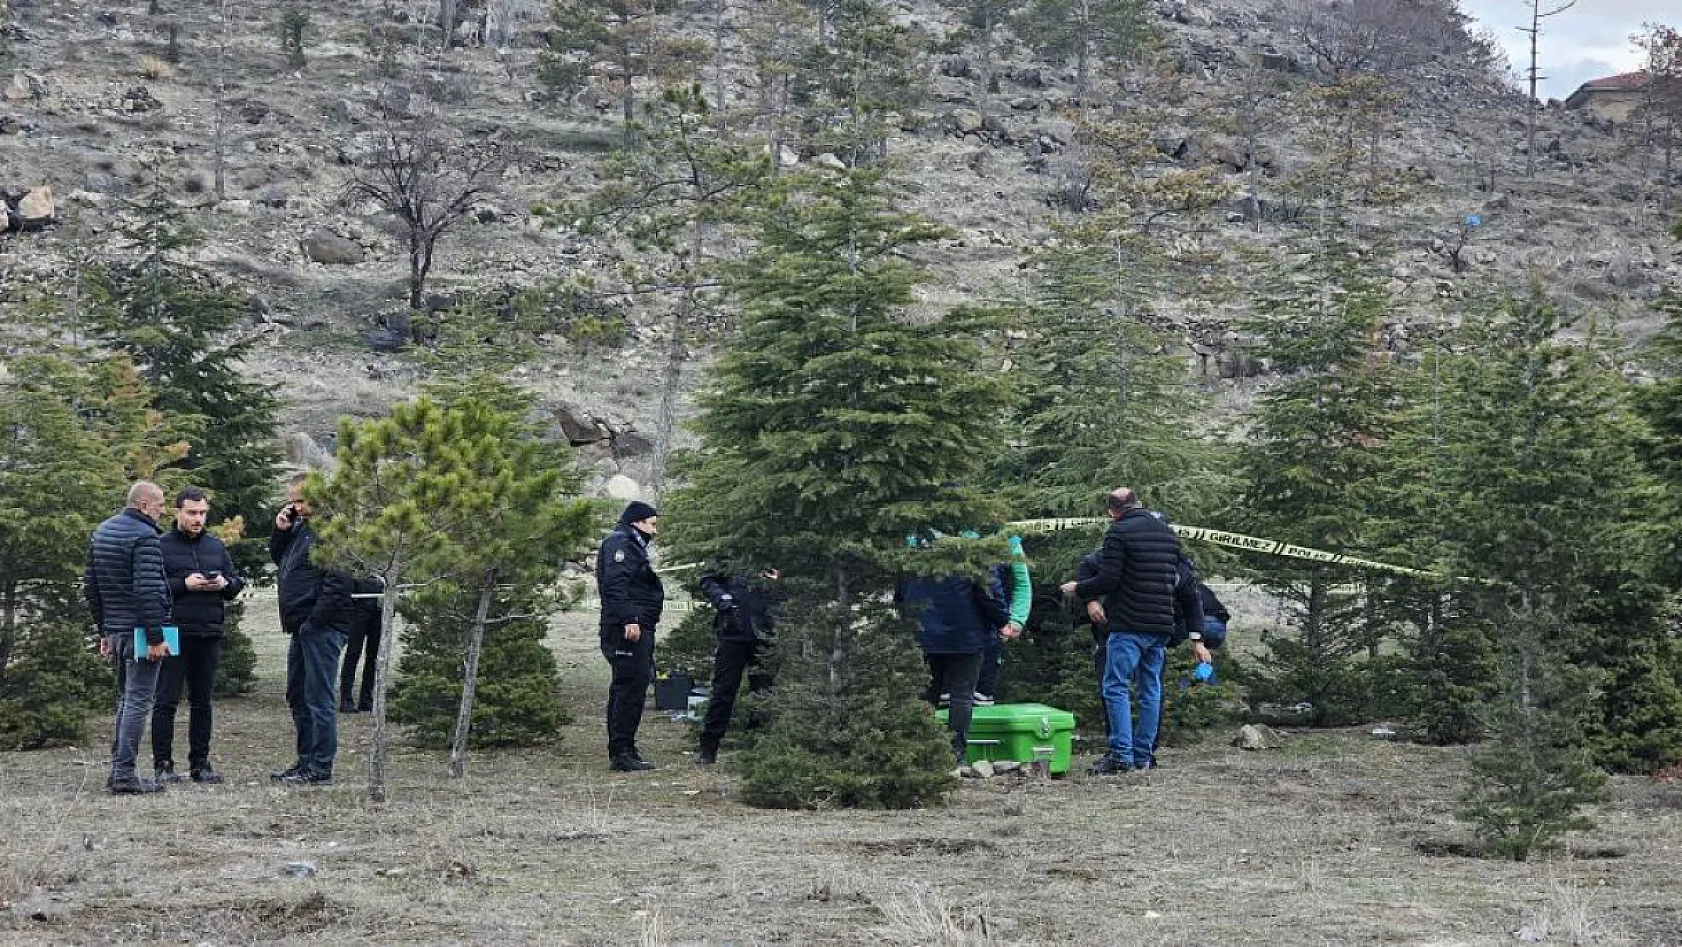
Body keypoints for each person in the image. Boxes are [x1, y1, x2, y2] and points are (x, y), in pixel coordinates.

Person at [1060, 488, 1203, 775]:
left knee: (1116, 686)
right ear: (1137, 503)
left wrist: (1079, 590)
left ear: (1112, 511)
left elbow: (1109, 578)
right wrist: (1196, 637)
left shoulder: (1118, 532)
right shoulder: (1167, 534)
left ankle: (1120, 756)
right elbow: (1187, 586)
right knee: (1151, 690)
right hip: (1161, 626)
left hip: (1128, 624)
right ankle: (1143, 756)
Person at [85, 481, 173, 795]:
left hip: (117, 629)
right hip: (140, 630)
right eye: (161, 503)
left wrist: (104, 631)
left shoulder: (103, 531)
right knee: (138, 701)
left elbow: (91, 587)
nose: (165, 510)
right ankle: (124, 774)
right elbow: (148, 591)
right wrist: (154, 637)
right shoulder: (145, 536)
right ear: (144, 505)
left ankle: (119, 769)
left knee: (126, 699)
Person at [152, 487, 244, 784]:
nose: (198, 518)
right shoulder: (160, 546)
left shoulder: (216, 546)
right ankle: (163, 764)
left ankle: (200, 764)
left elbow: (236, 582)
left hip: (208, 631)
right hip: (173, 631)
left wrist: (223, 584)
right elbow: (150, 587)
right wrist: (183, 584)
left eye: (203, 513)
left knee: (202, 701)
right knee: (166, 699)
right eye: (192, 512)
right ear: (177, 512)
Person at [270, 473, 355, 786]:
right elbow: (281, 560)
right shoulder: (301, 527)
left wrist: (314, 621)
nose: (296, 506)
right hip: (301, 627)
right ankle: (305, 760)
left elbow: (338, 582)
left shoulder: (333, 531)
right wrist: (281, 531)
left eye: (301, 500)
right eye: (292, 500)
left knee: (318, 697)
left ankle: (320, 766)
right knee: (297, 694)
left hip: (321, 627)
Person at [897, 546, 1018, 767]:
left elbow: (901, 597)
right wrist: (1003, 622)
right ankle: (954, 756)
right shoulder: (976, 555)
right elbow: (990, 595)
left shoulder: (915, 557)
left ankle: (919, 753)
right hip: (966, 638)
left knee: (925, 695)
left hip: (924, 637)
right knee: (962, 696)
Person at [597, 500, 664, 772]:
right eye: (652, 524)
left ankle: (625, 746)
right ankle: (621, 751)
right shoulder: (621, 544)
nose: (655, 531)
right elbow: (615, 584)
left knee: (632, 686)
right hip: (626, 629)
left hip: (638, 624)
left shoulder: (632, 544)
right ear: (637, 522)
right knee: (628, 688)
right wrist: (629, 618)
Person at [695, 565, 781, 765]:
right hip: (733, 630)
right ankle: (708, 747)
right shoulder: (728, 552)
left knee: (764, 690)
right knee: (723, 690)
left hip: (766, 631)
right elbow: (707, 579)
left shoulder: (775, 548)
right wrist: (724, 600)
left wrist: (778, 583)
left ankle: (758, 745)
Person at [975, 535, 1031, 705]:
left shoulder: (1009, 540)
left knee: (981, 697)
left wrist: (1017, 620)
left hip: (992, 631)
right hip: (945, 634)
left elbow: (1022, 583)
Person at [340, 577, 383, 713]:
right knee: (353, 653)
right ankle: (346, 699)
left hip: (378, 608)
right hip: (358, 607)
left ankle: (366, 699)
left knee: (373, 656)